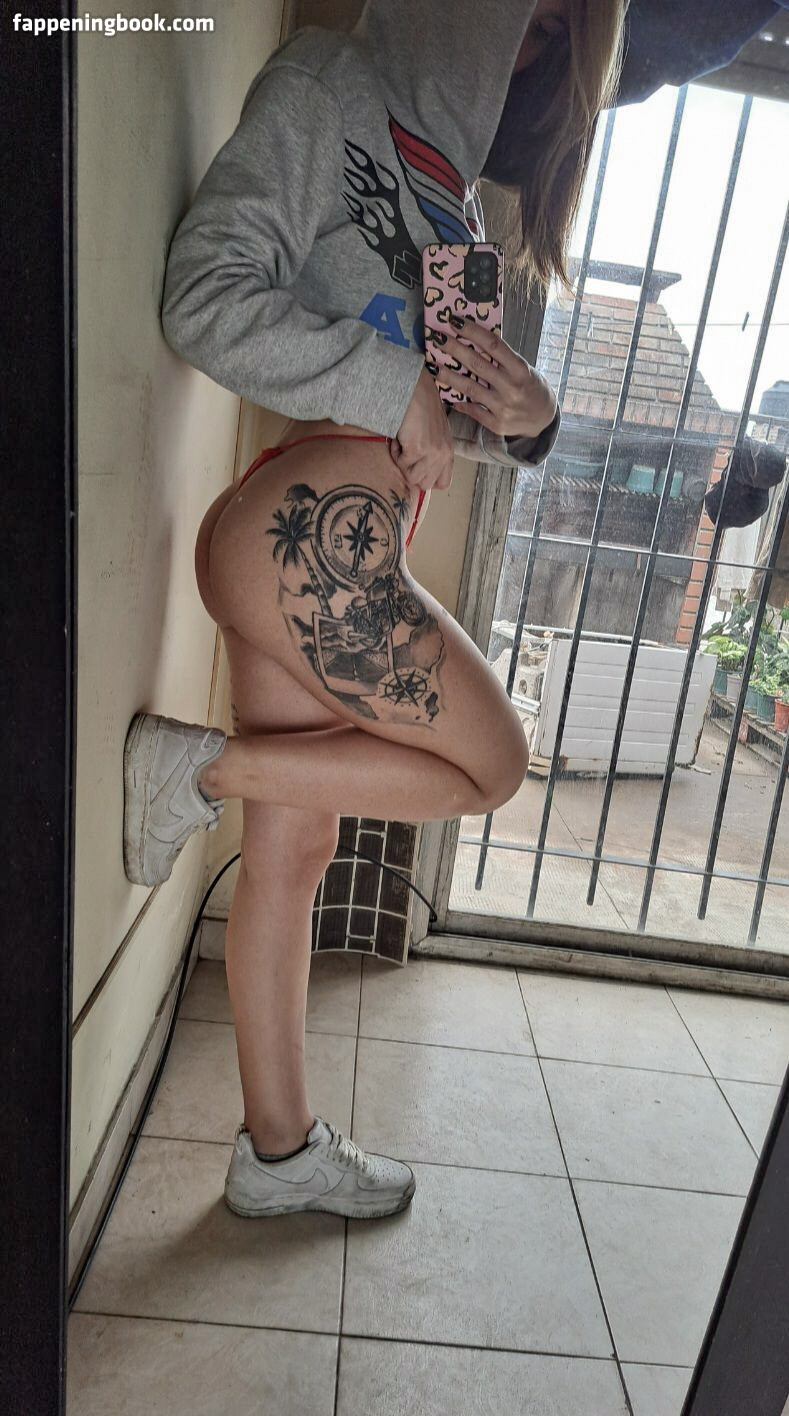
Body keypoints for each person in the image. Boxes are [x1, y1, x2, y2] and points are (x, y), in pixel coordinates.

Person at [122, 0, 626, 1220]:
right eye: (530, 13)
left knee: (297, 852)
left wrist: (531, 420)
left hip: (325, 552)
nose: (525, 44)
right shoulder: (326, 85)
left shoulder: (460, 215)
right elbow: (203, 296)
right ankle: (199, 770)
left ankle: (276, 1156)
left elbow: (443, 424)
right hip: (306, 534)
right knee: (493, 764)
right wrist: (394, 382)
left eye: (552, 35)